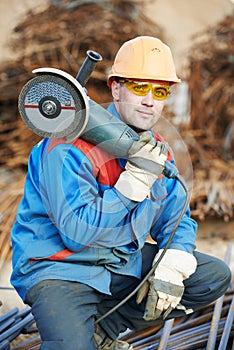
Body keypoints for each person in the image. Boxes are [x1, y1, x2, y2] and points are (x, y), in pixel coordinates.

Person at [11, 36, 231, 350]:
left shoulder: (157, 151)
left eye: (160, 91)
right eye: (140, 87)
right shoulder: (65, 145)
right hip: (61, 270)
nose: (150, 101)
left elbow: (175, 218)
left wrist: (175, 258)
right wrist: (132, 186)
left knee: (211, 275)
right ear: (116, 88)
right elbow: (77, 233)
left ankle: (102, 331)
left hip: (117, 264)